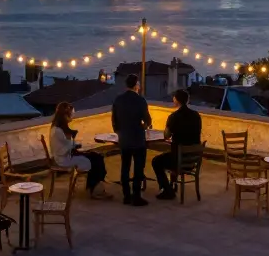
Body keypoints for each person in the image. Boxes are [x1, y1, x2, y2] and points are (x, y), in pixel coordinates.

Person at [49, 101, 111, 199]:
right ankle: (96, 189)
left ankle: (95, 186)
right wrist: (74, 145)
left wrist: (73, 144)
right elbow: (60, 150)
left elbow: (65, 145)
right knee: (94, 161)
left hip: (68, 155)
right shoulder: (57, 131)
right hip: (64, 160)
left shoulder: (58, 128)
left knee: (96, 156)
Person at [152, 89, 202, 200]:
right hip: (192, 159)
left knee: (156, 161)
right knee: (172, 154)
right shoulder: (196, 115)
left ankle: (167, 190)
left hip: (179, 160)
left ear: (176, 100)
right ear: (188, 100)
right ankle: (172, 185)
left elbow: (166, 135)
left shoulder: (174, 117)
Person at [111, 74, 152, 206]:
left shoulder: (118, 100)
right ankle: (136, 196)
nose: (139, 86)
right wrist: (143, 127)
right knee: (138, 168)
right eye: (138, 84)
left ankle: (126, 196)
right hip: (138, 139)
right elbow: (148, 120)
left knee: (125, 167)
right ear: (136, 85)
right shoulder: (140, 100)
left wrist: (120, 132)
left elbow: (114, 121)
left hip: (124, 139)